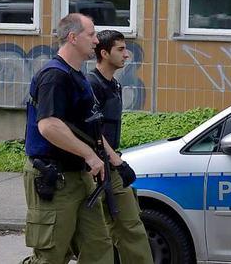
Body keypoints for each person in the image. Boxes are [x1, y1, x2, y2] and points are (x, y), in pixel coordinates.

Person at [23, 13, 124, 264]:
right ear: (72, 37)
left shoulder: (77, 74)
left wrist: (109, 157)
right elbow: (49, 126)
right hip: (54, 177)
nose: (95, 40)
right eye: (90, 34)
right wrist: (89, 155)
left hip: (79, 177)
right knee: (51, 255)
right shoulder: (55, 76)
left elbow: (87, 126)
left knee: (99, 249)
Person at [86, 30, 153, 263]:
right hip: (93, 169)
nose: (127, 55)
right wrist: (117, 161)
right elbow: (92, 130)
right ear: (104, 53)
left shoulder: (113, 84)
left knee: (131, 227)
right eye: (120, 49)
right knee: (94, 237)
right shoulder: (91, 85)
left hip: (110, 166)